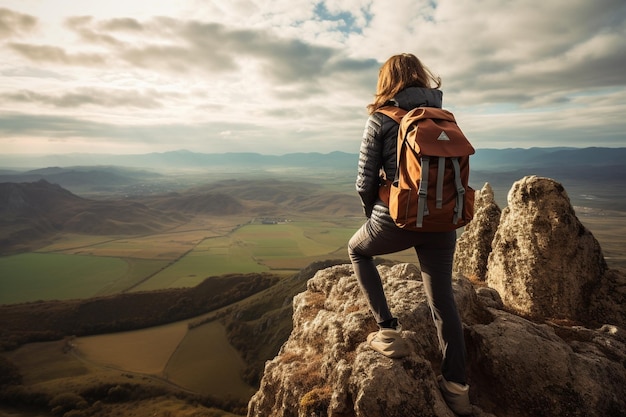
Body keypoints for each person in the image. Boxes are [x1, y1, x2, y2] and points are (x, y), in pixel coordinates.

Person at [347, 53, 472, 416]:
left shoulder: (380, 118)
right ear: (421, 77)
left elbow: (364, 181)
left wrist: (375, 215)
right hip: (443, 219)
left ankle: (388, 332)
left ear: (387, 81)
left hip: (397, 218)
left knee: (357, 250)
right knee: (442, 298)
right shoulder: (443, 117)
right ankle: (457, 388)